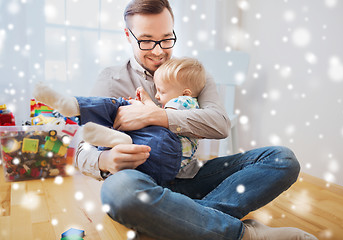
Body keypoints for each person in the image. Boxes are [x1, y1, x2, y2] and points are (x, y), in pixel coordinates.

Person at [75, 0, 318, 239]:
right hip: (141, 180)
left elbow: (220, 123)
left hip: (193, 177)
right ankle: (244, 234)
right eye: (147, 40)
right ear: (128, 35)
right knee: (119, 191)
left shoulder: (191, 74)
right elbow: (81, 149)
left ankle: (180, 220)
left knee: (282, 159)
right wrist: (105, 159)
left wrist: (157, 115)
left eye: (167, 38)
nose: (159, 50)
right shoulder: (110, 79)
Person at [32, 57, 205, 183]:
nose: (158, 96)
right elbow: (159, 116)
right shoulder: (111, 77)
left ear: (186, 93)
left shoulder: (187, 102)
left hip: (168, 154)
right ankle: (77, 109)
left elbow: (162, 117)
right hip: (156, 157)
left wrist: (142, 107)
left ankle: (75, 106)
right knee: (121, 106)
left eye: (163, 92)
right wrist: (139, 104)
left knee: (124, 106)